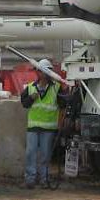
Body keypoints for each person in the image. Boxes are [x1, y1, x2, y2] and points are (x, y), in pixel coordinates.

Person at [20, 59, 67, 189]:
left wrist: (64, 89)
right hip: (33, 127)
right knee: (31, 153)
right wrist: (31, 98)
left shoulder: (56, 88)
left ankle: (44, 179)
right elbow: (24, 103)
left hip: (48, 127)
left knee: (45, 155)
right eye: (40, 71)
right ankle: (30, 179)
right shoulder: (30, 87)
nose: (41, 74)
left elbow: (64, 103)